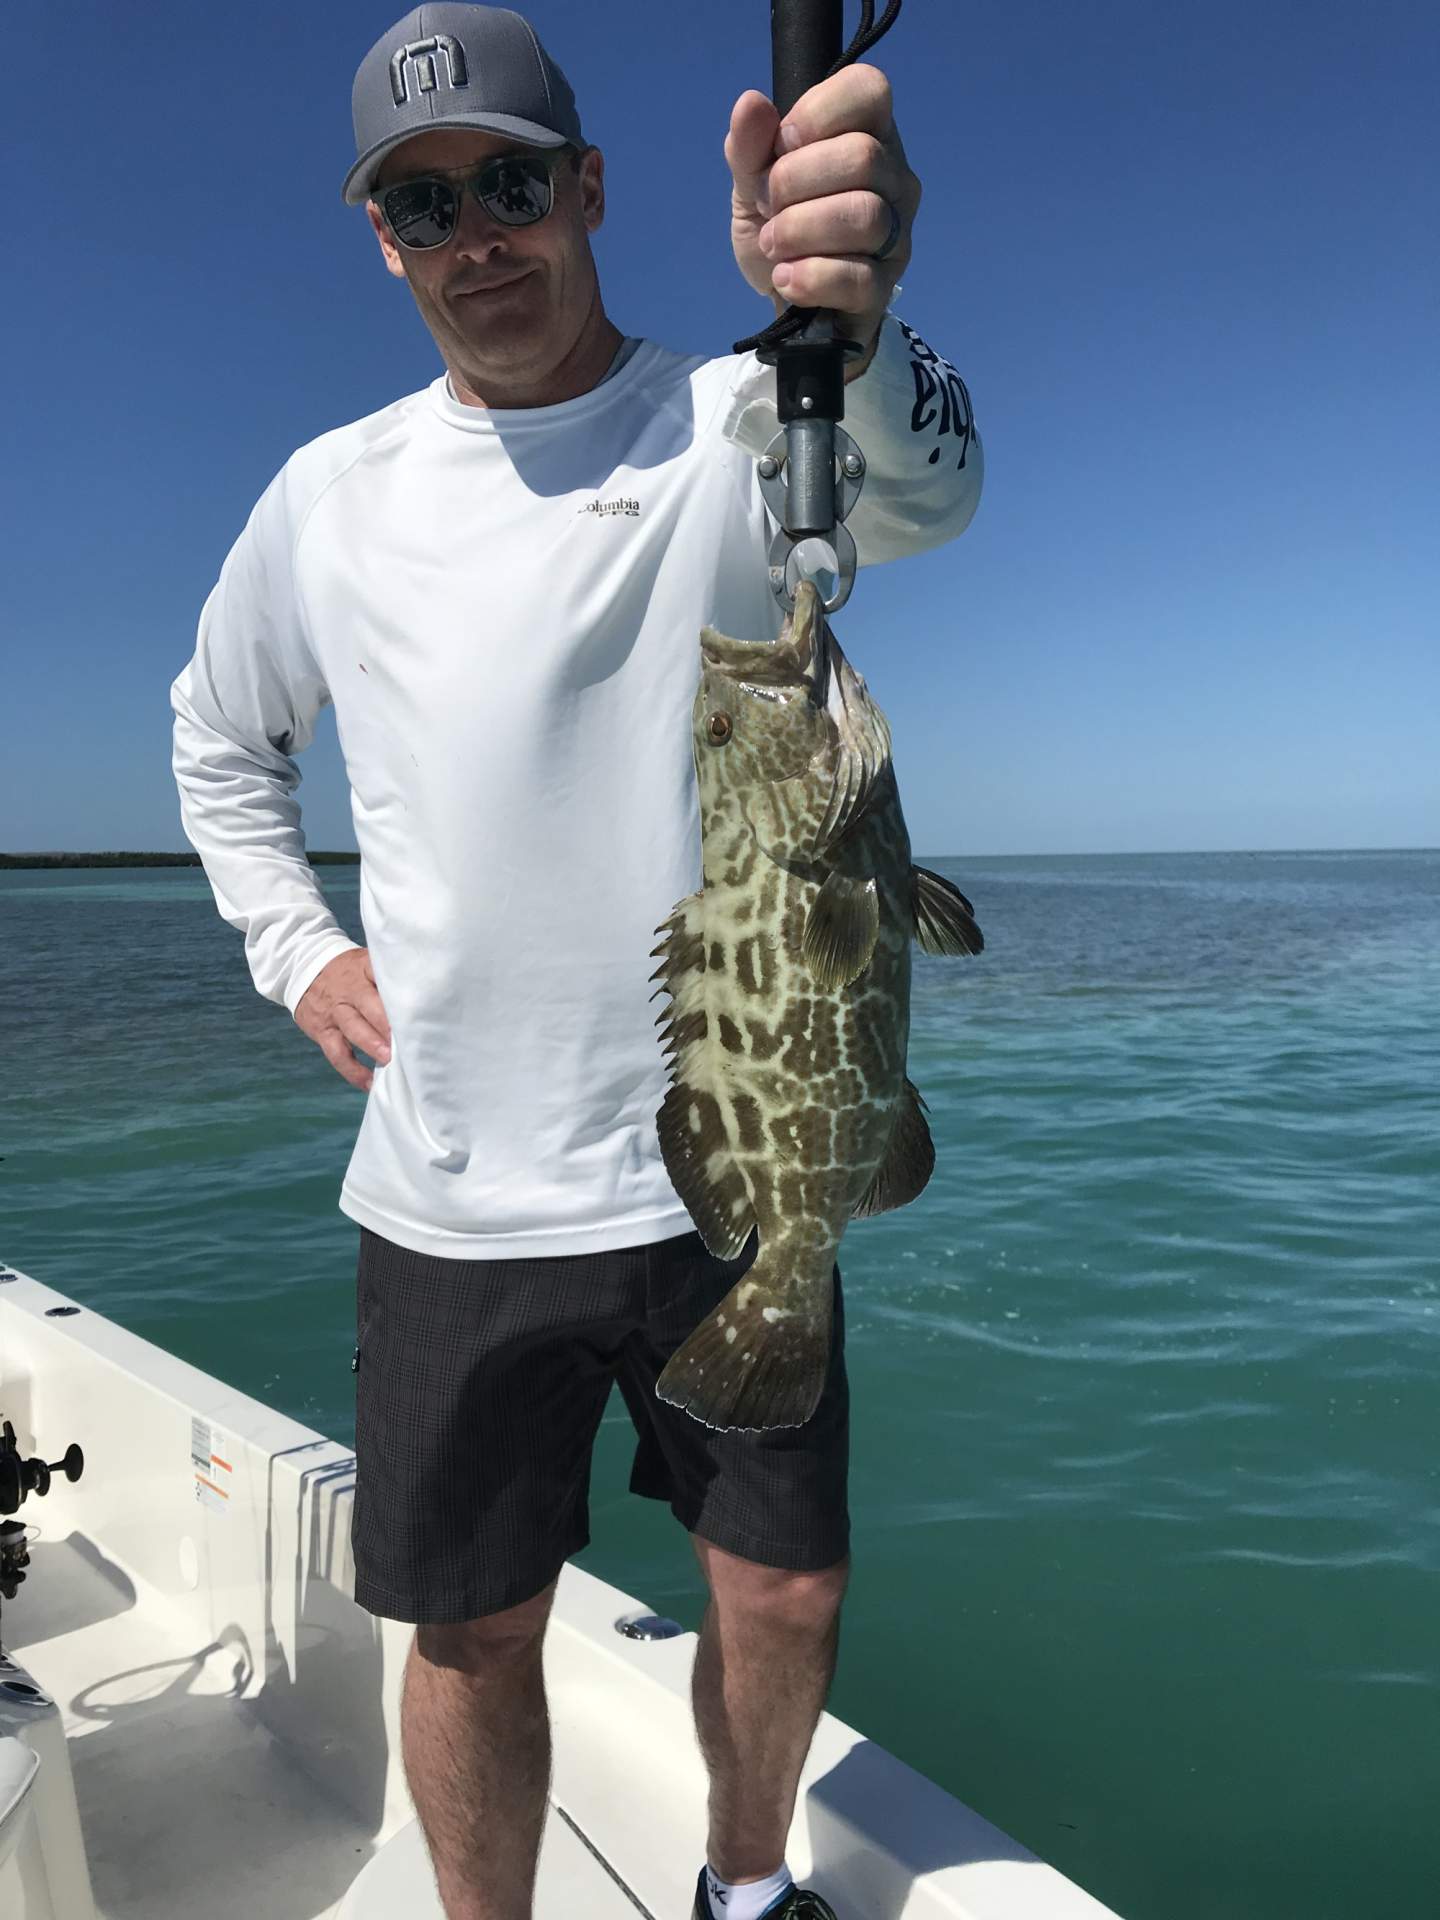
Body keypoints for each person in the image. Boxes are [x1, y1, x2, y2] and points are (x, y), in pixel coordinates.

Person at [170, 7, 983, 1918]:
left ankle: (747, 1887)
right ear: (387, 238)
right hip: (454, 1195)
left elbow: (929, 491)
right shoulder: (328, 497)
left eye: (513, 183)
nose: (477, 233)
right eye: (425, 203)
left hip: (728, 1149)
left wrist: (846, 320)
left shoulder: (734, 419)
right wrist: (296, 948)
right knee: (467, 1635)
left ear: (591, 188)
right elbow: (217, 739)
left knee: (784, 1585)